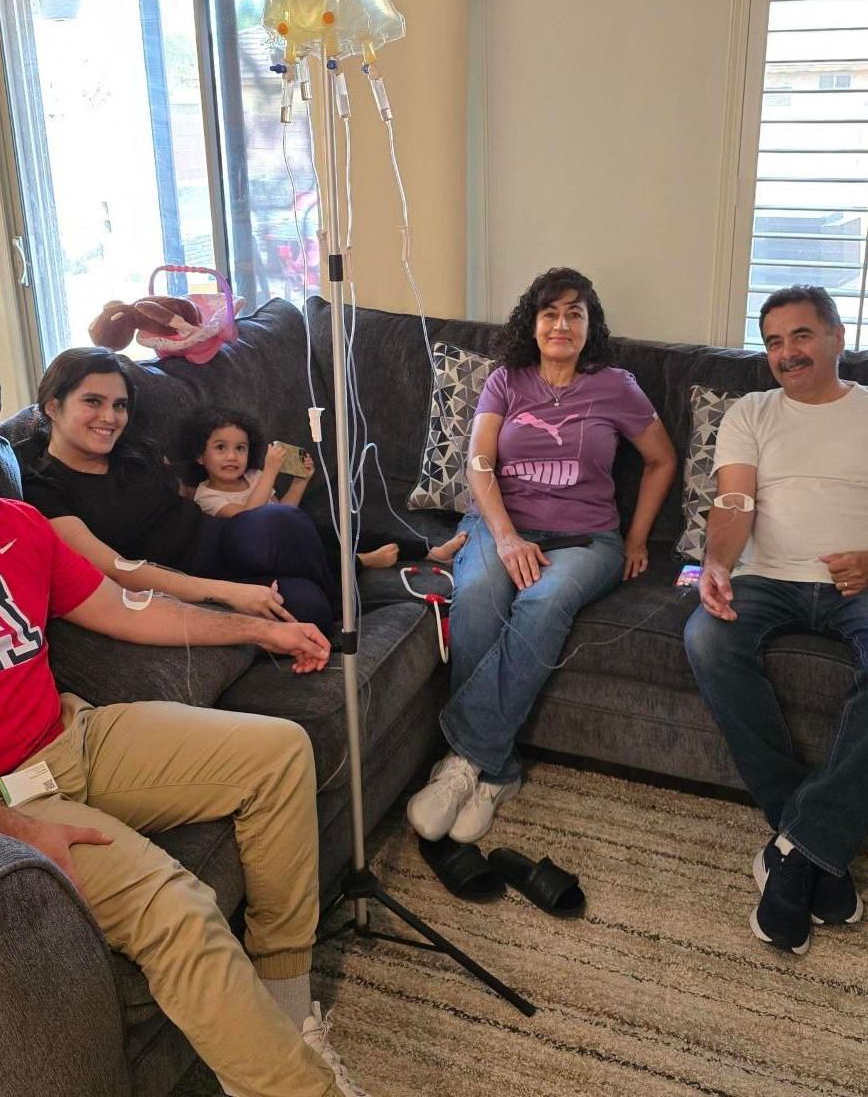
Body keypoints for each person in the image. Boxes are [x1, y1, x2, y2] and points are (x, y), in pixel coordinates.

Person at [0, 346, 368, 1097]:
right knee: (179, 908)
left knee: (278, 750)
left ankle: (284, 1011)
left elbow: (122, 609)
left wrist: (258, 629)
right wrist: (1, 828)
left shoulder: (17, 523)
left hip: (70, 738)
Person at [407, 268, 676, 844]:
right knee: (478, 595)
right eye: (550, 313)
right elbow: (479, 463)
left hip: (588, 539)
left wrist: (636, 538)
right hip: (501, 525)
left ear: (589, 325)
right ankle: (495, 770)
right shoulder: (506, 380)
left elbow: (662, 460)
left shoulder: (616, 386)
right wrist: (503, 536)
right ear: (532, 323)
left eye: (574, 314)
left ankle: (460, 759)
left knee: (544, 601)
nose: (561, 324)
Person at [684, 285, 868, 956]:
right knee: (705, 635)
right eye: (773, 342)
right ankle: (815, 840)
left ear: (835, 336)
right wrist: (717, 564)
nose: (786, 353)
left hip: (856, 584)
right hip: (768, 580)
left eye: (800, 335)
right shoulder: (751, 410)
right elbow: (733, 499)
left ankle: (793, 850)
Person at [16, 348, 339, 636]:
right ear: (53, 407)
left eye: (120, 405)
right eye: (92, 401)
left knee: (280, 521)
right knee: (307, 606)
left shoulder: (132, 448)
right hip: (182, 579)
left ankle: (344, 601)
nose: (110, 417)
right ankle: (340, 589)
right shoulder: (41, 486)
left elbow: (182, 492)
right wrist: (226, 592)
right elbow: (115, 570)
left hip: (221, 537)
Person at [182, 405, 467, 568]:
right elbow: (249, 519)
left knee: (349, 531)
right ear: (199, 455)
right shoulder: (208, 496)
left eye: (240, 448)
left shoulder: (255, 476)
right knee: (316, 556)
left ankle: (431, 551)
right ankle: (362, 563)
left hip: (293, 531)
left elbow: (284, 511)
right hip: (271, 552)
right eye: (221, 448)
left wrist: (300, 481)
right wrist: (271, 471)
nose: (232, 456)